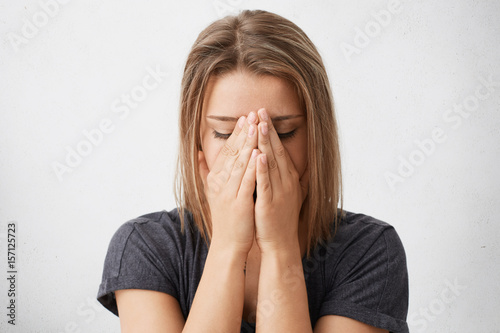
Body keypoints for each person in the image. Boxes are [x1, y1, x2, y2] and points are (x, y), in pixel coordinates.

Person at [97, 9, 409, 333]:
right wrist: (229, 245)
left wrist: (280, 247)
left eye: (283, 133)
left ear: (317, 136)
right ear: (197, 140)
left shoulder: (371, 250)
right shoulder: (145, 247)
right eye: (225, 133)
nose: (255, 154)